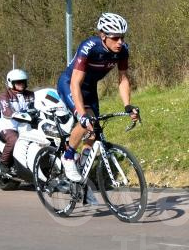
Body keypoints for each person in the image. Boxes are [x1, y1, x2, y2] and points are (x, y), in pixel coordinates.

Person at [57, 12, 139, 186]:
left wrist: (128, 105)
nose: (120, 42)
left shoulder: (123, 50)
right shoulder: (89, 47)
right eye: (115, 38)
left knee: (95, 131)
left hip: (90, 87)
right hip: (70, 84)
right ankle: (68, 157)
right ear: (103, 35)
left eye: (122, 38)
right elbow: (75, 83)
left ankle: (82, 165)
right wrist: (82, 114)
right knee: (85, 120)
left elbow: (123, 78)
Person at [0, 68, 35, 175]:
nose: (22, 84)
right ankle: (3, 162)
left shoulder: (31, 94)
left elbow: (38, 106)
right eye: (18, 82)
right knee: (14, 139)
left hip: (26, 125)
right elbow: (6, 111)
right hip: (9, 125)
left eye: (23, 81)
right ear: (11, 83)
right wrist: (15, 114)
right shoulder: (4, 96)